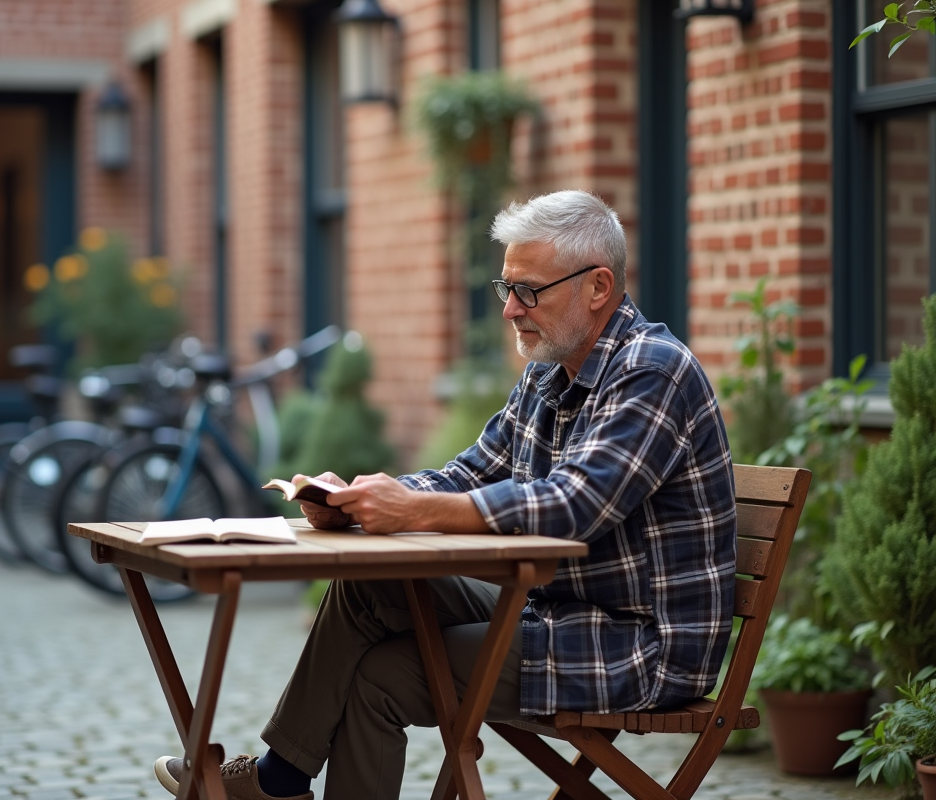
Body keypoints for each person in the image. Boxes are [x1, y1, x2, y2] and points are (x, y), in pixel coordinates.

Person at [153, 190, 737, 800]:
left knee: (380, 677)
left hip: (637, 645)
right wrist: (365, 499)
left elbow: (573, 507)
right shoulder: (548, 372)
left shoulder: (653, 369)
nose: (511, 309)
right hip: (555, 609)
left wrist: (418, 510)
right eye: (505, 288)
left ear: (597, 287)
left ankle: (277, 783)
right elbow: (470, 473)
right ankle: (283, 780)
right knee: (365, 587)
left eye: (529, 290)